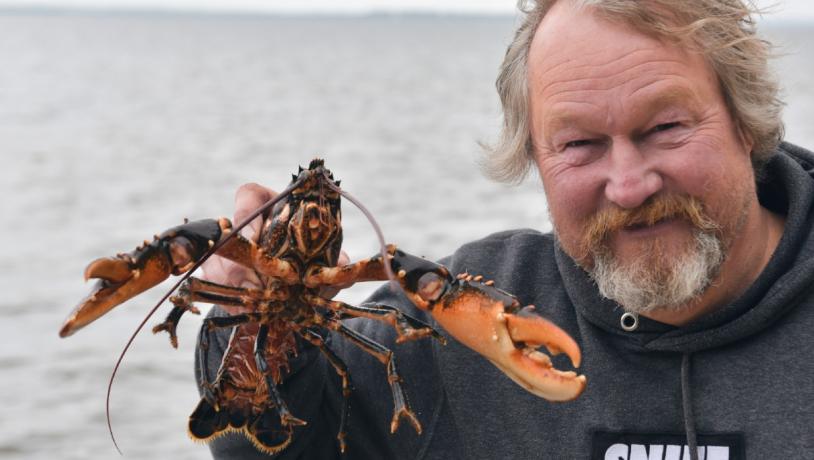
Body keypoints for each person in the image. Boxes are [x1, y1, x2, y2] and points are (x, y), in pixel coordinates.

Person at [197, 1, 814, 459]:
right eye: (579, 143)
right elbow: (267, 444)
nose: (628, 185)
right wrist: (253, 325)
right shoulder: (459, 318)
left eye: (666, 127)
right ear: (536, 160)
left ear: (747, 123)